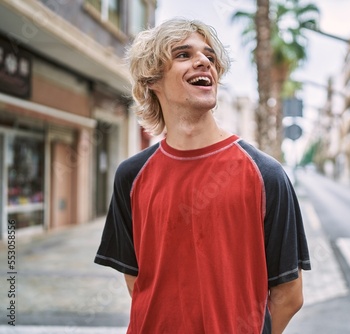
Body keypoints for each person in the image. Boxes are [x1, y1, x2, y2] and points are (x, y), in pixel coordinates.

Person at [94, 18, 311, 334]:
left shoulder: (266, 175)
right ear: (152, 79)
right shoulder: (132, 176)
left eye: (210, 57)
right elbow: (140, 283)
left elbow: (289, 295)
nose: (203, 62)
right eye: (184, 55)